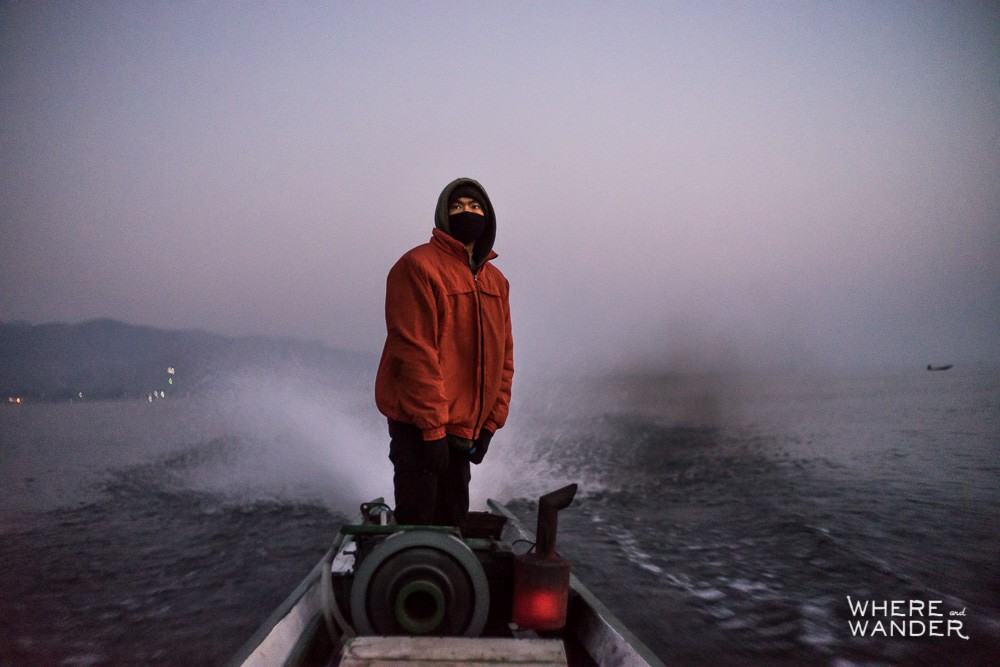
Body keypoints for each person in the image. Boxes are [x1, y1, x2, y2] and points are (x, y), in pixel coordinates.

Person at [375, 178, 514, 526]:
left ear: (489, 216)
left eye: (475, 206)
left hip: (464, 429)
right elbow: (415, 353)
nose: (467, 212)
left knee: (452, 521)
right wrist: (433, 431)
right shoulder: (418, 267)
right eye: (457, 207)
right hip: (420, 426)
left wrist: (490, 425)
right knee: (418, 525)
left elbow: (504, 359)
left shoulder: (497, 281)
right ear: (442, 216)